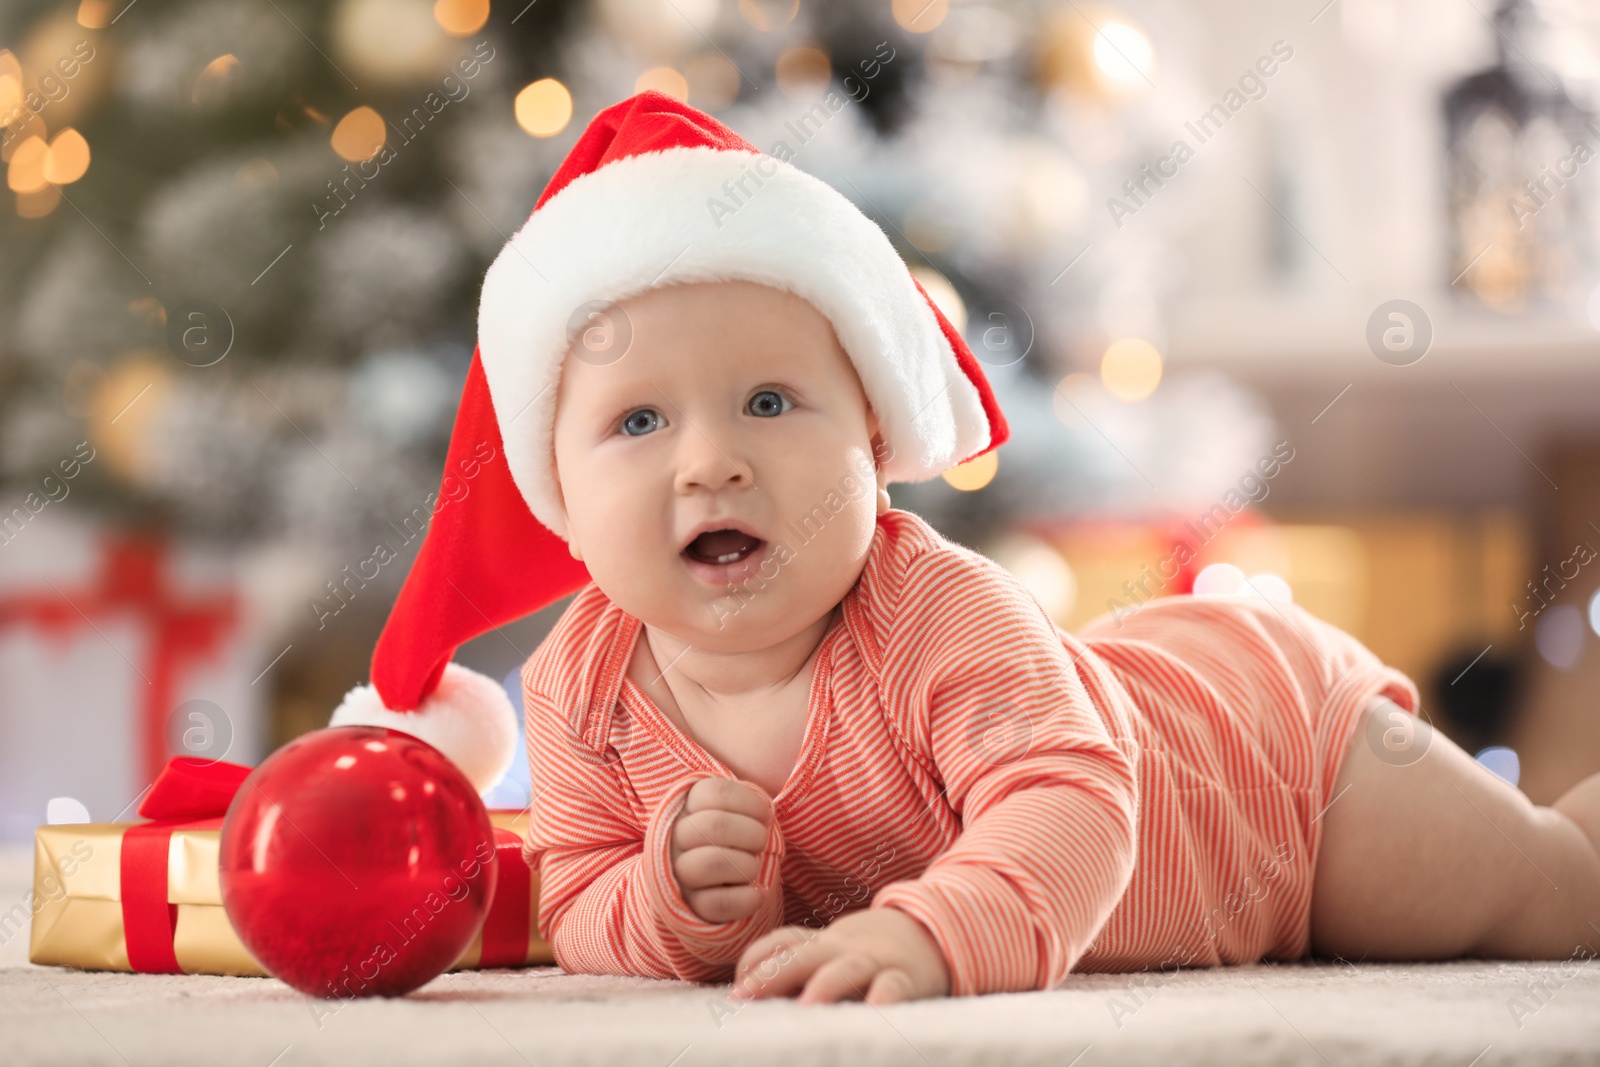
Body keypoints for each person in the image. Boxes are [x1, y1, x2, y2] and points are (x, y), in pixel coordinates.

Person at [330, 91, 1600, 1005]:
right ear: (557, 486)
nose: (708, 459)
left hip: (1273, 774)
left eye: (770, 403)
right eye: (638, 420)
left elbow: (1073, 800)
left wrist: (936, 935)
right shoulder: (576, 689)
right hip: (1198, 756)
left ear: (872, 439)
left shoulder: (934, 610)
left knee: (1550, 892)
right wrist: (666, 899)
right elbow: (580, 893)